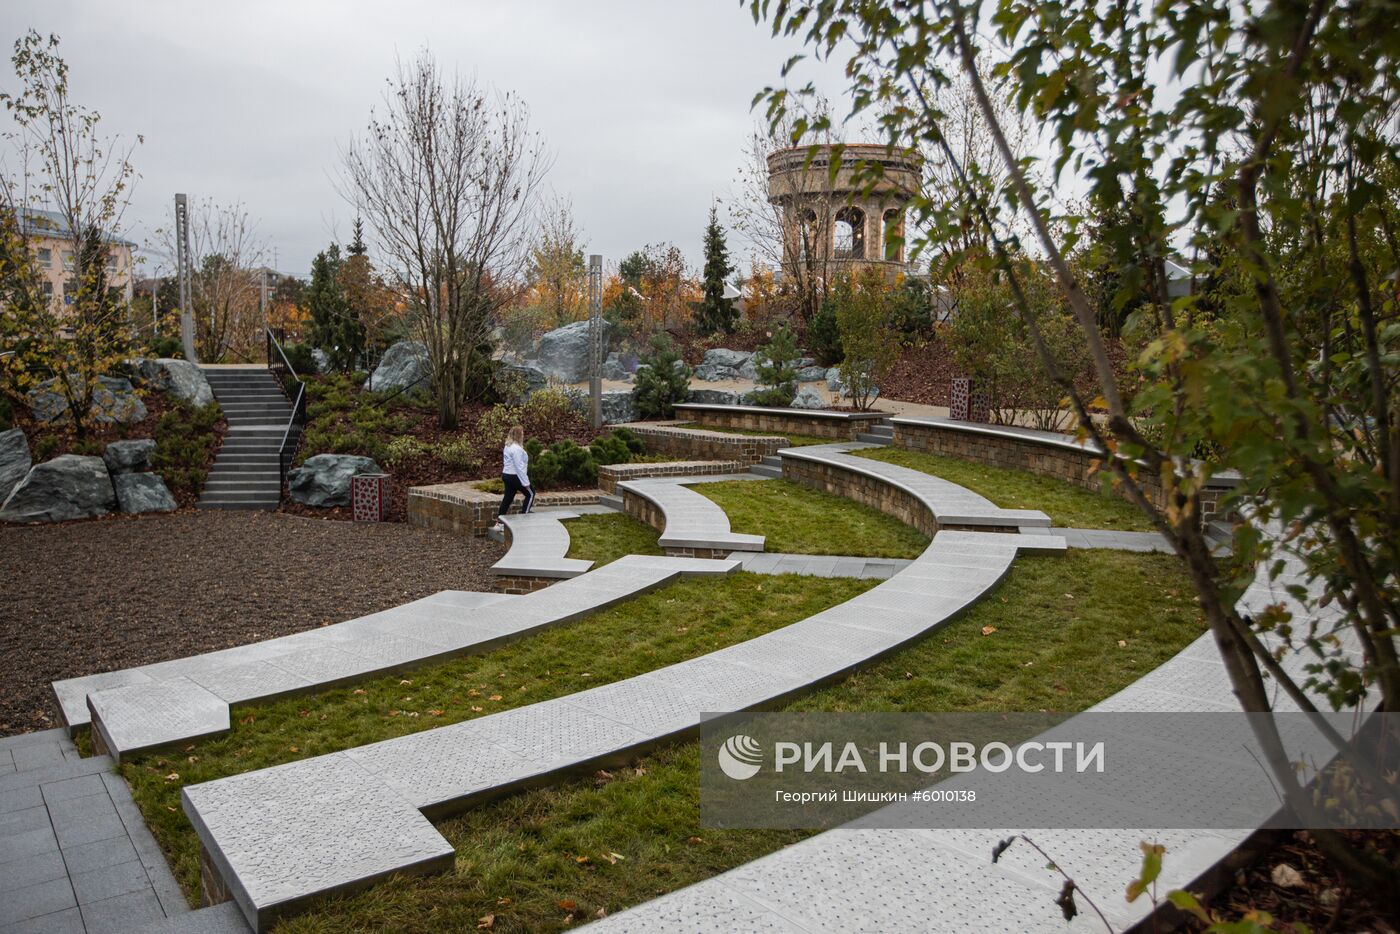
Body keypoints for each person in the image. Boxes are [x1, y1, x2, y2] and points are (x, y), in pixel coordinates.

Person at [493, 425, 534, 531]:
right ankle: (525, 518)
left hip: (506, 475)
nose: (524, 435)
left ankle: (499, 523)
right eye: (522, 433)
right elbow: (519, 467)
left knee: (507, 498)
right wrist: (525, 482)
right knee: (530, 493)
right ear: (518, 435)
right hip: (514, 476)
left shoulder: (508, 446)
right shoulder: (516, 449)